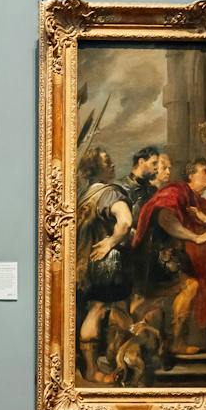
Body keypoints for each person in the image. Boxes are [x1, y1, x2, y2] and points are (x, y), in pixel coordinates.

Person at [131, 158, 206, 354]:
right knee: (190, 286)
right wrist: (196, 238)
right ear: (191, 176)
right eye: (204, 171)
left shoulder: (193, 198)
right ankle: (177, 342)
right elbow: (165, 217)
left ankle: (155, 336)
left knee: (150, 299)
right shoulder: (176, 191)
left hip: (160, 256)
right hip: (157, 257)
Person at [74, 146, 133, 383]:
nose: (111, 164)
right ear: (95, 167)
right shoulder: (109, 193)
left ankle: (102, 362)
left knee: (98, 309)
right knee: (99, 309)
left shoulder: (84, 195)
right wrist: (112, 241)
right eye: (106, 161)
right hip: (106, 263)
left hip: (85, 263)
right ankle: (91, 370)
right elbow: (126, 223)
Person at [116, 146, 159, 212]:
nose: (157, 168)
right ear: (141, 162)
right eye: (154, 163)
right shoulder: (119, 187)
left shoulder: (153, 190)